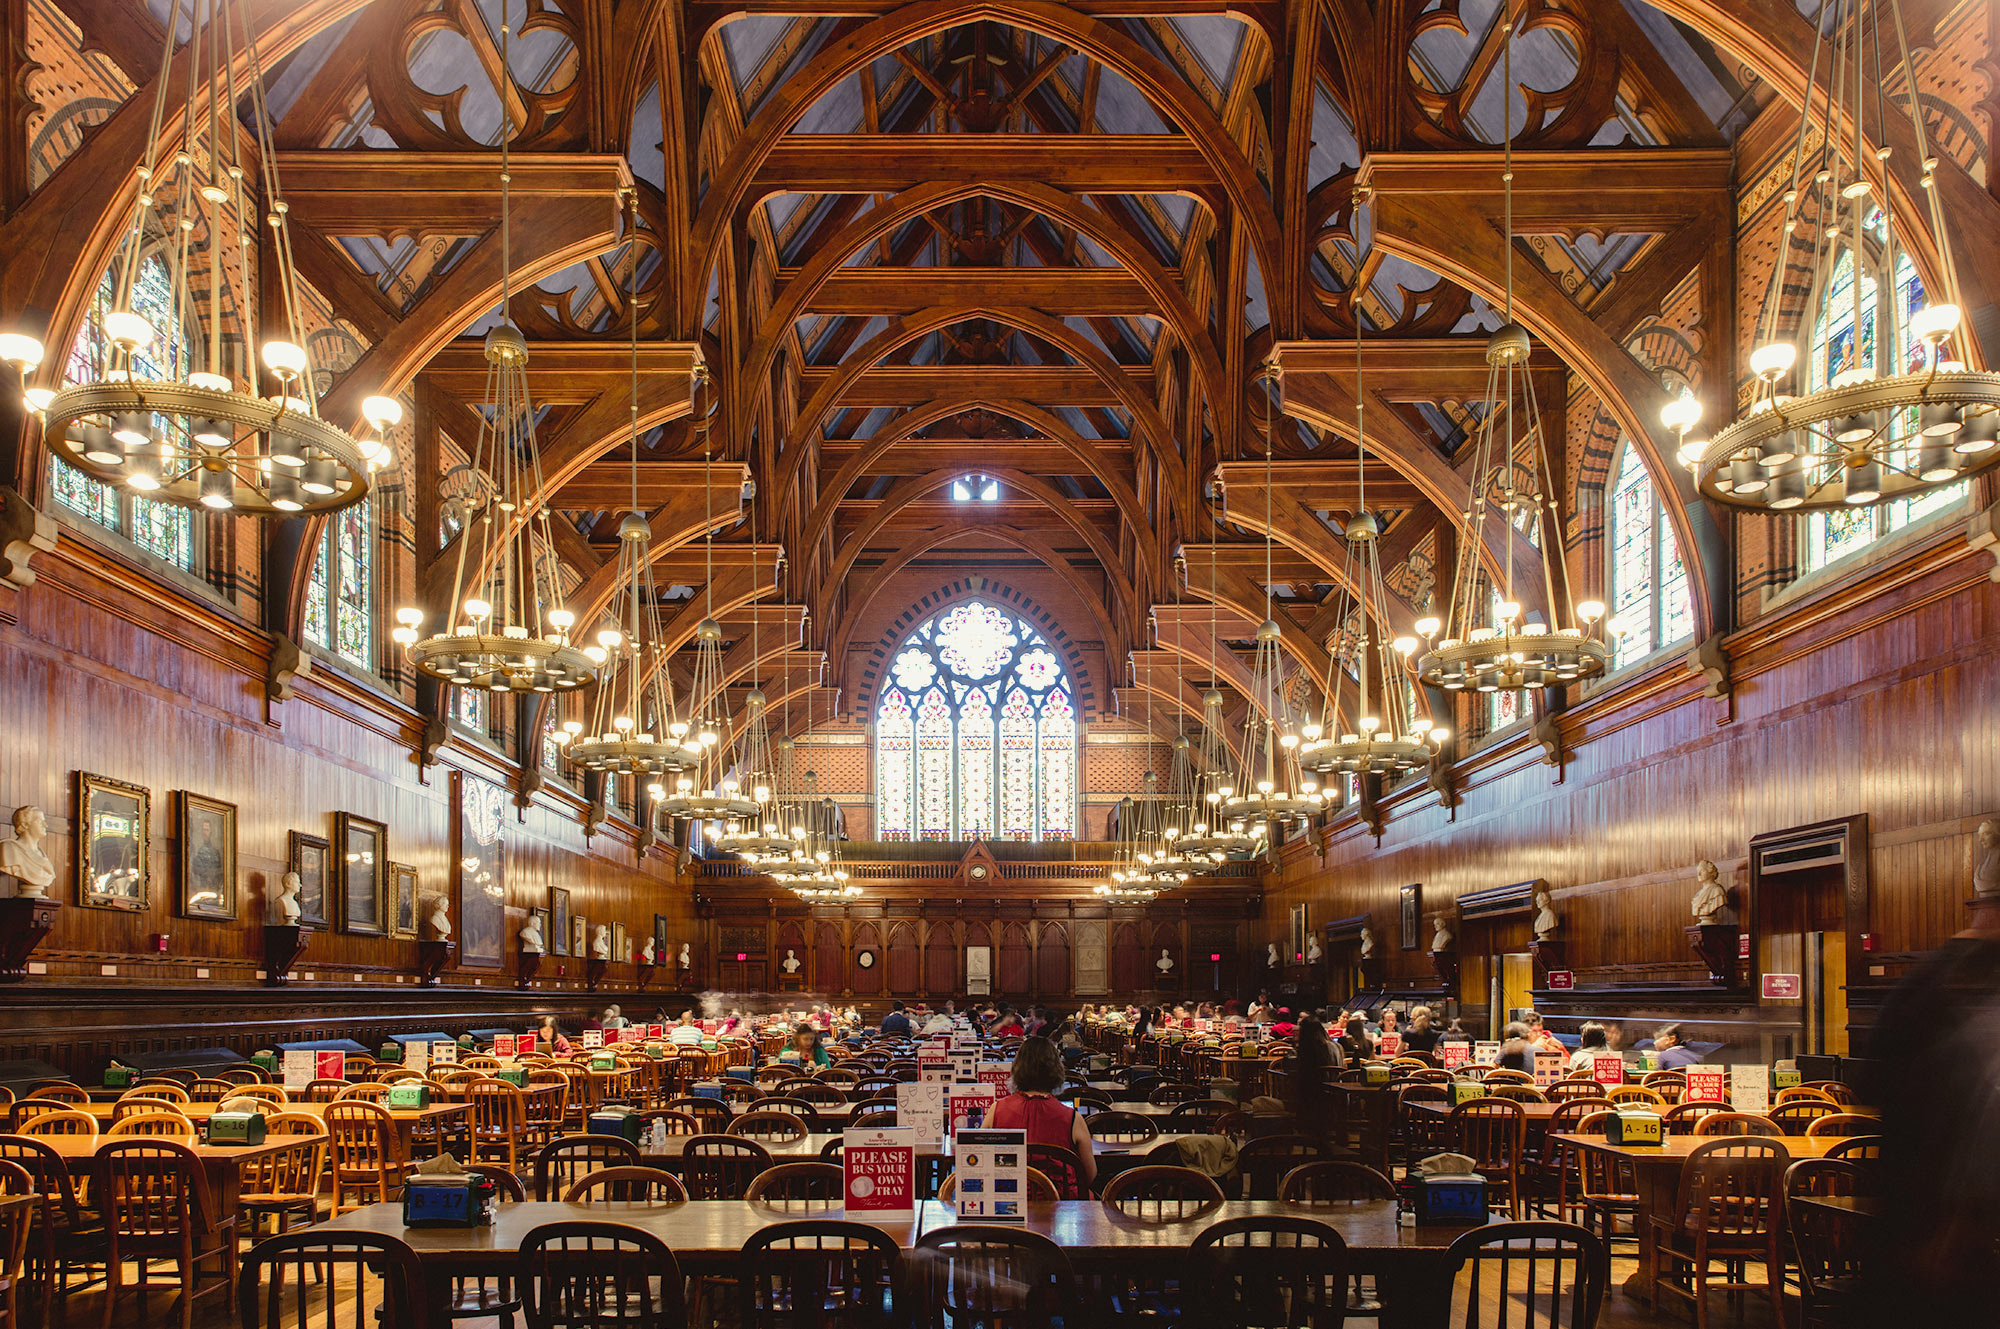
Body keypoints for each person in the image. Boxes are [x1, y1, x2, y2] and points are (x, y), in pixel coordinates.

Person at [988, 1036, 1097, 1194]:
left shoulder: (996, 1110)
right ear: (1056, 1070)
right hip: (1061, 1204)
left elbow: (980, 1161)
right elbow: (1089, 1175)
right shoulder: (1072, 1118)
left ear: (1017, 1068)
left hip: (1010, 1202)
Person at [1289, 1014, 1343, 1142]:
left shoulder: (1306, 1051)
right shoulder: (1335, 1047)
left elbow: (1302, 1076)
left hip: (1312, 1096)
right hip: (1336, 1092)